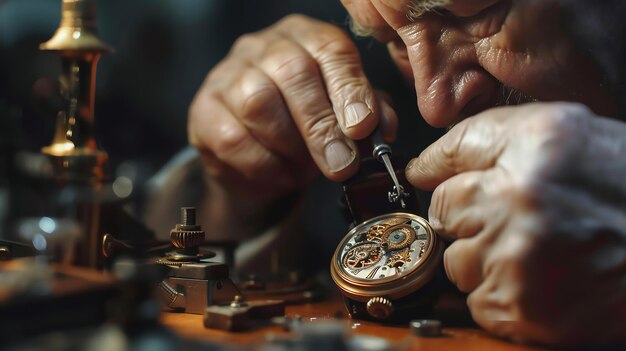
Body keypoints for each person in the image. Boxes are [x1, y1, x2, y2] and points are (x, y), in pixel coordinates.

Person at [185, 0, 626, 347]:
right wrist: (238, 191)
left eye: (474, 15)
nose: (433, 105)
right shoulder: (368, 80)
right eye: (389, 38)